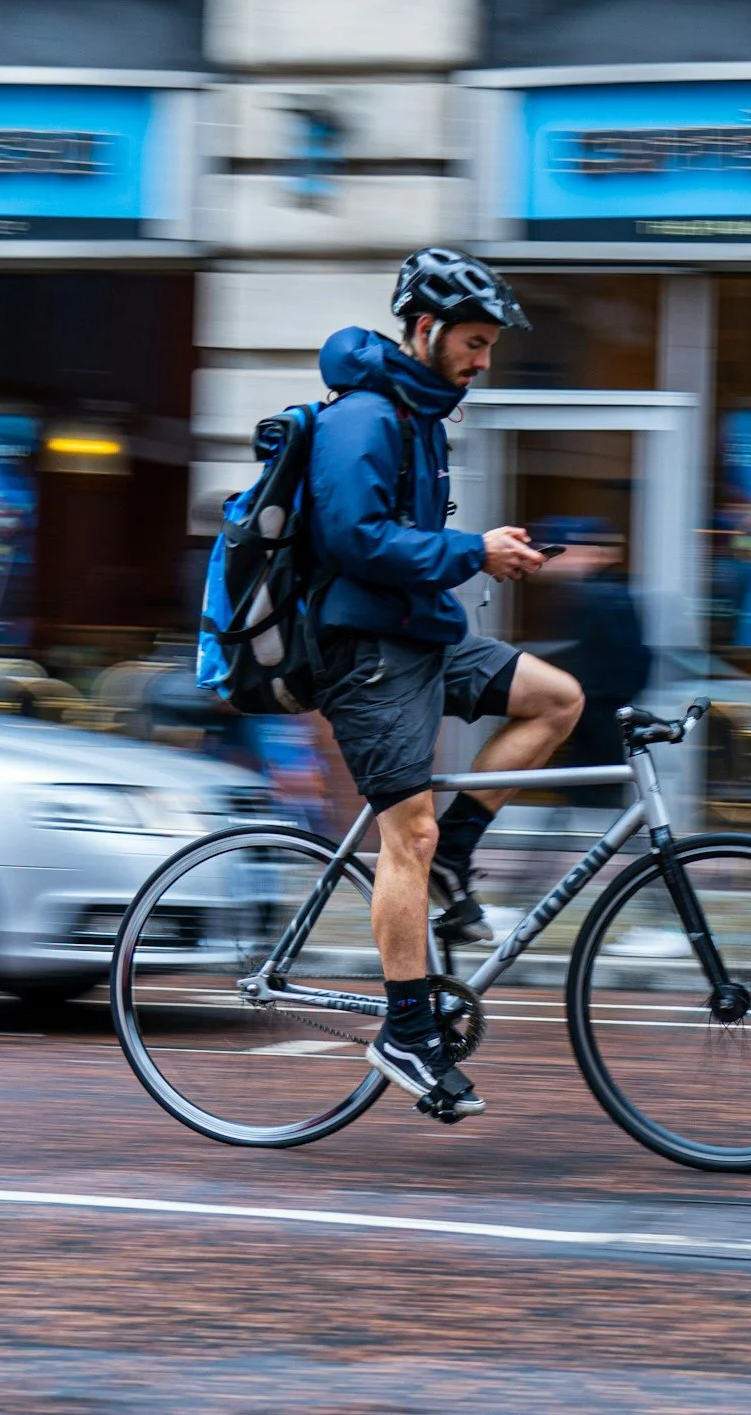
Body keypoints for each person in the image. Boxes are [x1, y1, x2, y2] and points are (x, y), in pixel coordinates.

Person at [306, 247, 585, 1121]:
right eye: (472, 341)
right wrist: (473, 550)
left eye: (489, 344)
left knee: (559, 698)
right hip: (364, 655)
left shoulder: (423, 415)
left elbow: (405, 547)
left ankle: (458, 862)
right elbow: (355, 540)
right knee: (406, 837)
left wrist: (488, 549)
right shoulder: (365, 417)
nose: (483, 360)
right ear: (424, 330)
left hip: (422, 638)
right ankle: (407, 1029)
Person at [530, 516, 651, 798]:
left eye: (554, 553)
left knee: (592, 791)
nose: (547, 562)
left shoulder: (602, 598)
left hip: (598, 719)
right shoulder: (586, 595)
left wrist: (585, 705)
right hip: (595, 717)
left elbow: (623, 663)